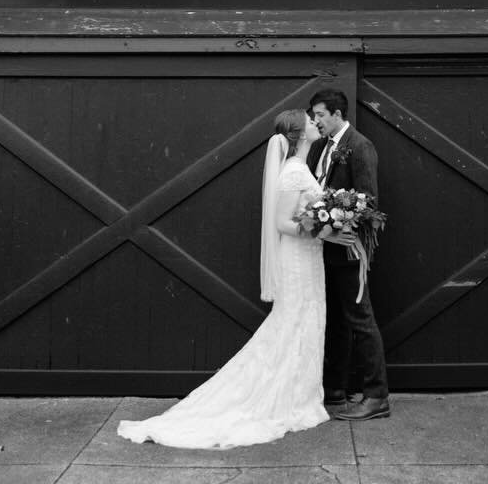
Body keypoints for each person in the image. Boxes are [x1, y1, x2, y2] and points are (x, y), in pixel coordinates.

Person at [115, 109, 349, 448]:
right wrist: (323, 229)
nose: (316, 123)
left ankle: (300, 395)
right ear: (299, 134)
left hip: (307, 258)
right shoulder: (294, 173)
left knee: (306, 321)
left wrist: (324, 224)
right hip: (297, 259)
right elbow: (283, 223)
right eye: (310, 121)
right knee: (294, 321)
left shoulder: (300, 168)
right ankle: (287, 400)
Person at [309, 88, 391, 421]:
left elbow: (368, 202)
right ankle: (335, 392)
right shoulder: (318, 148)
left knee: (361, 320)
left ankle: (376, 396)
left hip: (349, 252)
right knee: (336, 322)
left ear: (338, 115)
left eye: (320, 116)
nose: (316, 122)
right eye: (314, 117)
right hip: (323, 251)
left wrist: (342, 222)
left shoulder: (360, 146)